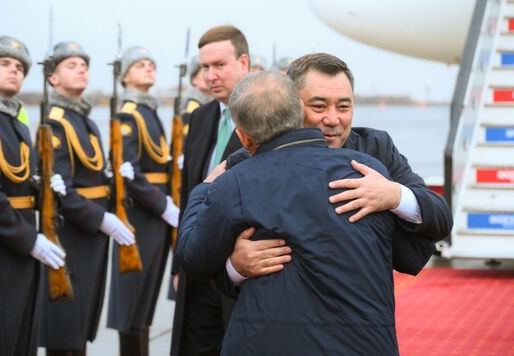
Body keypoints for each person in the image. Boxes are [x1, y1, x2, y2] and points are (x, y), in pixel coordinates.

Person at [176, 71, 398, 355]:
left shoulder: (237, 182)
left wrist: (205, 187)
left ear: (243, 137)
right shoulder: (367, 171)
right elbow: (406, 252)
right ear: (298, 115)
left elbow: (193, 257)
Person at [227, 53, 452, 284]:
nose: (333, 119)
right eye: (319, 106)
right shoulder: (252, 158)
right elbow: (205, 256)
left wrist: (393, 195)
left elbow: (441, 217)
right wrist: (235, 266)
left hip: (361, 305)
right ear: (292, 105)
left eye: (343, 107)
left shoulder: (376, 148)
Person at [39, 41, 134, 356]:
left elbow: (94, 173)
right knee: (66, 328)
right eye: (71, 65)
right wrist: (102, 219)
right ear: (52, 78)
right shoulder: (55, 121)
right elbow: (59, 189)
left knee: (80, 325)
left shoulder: (85, 119)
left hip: (91, 232)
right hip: (73, 231)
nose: (81, 69)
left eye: (84, 65)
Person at [0, 35, 66, 356]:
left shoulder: (15, 122)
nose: (14, 71)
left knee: (23, 341)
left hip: (21, 247)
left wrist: (43, 186)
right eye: (4, 64)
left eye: (20, 67)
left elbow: (18, 180)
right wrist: (29, 239)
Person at [171, 24, 249, 356]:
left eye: (220, 65)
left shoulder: (264, 116)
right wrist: (179, 265)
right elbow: (189, 194)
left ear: (243, 63)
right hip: (198, 263)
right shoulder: (201, 117)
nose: (210, 75)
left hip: (241, 267)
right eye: (205, 67)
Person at [106, 46, 179, 356]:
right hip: (143, 215)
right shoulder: (128, 114)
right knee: (133, 303)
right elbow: (128, 171)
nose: (149, 68)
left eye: (151, 64)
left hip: (155, 212)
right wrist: (164, 206)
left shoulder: (147, 110)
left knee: (145, 300)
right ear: (124, 76)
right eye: (140, 65)